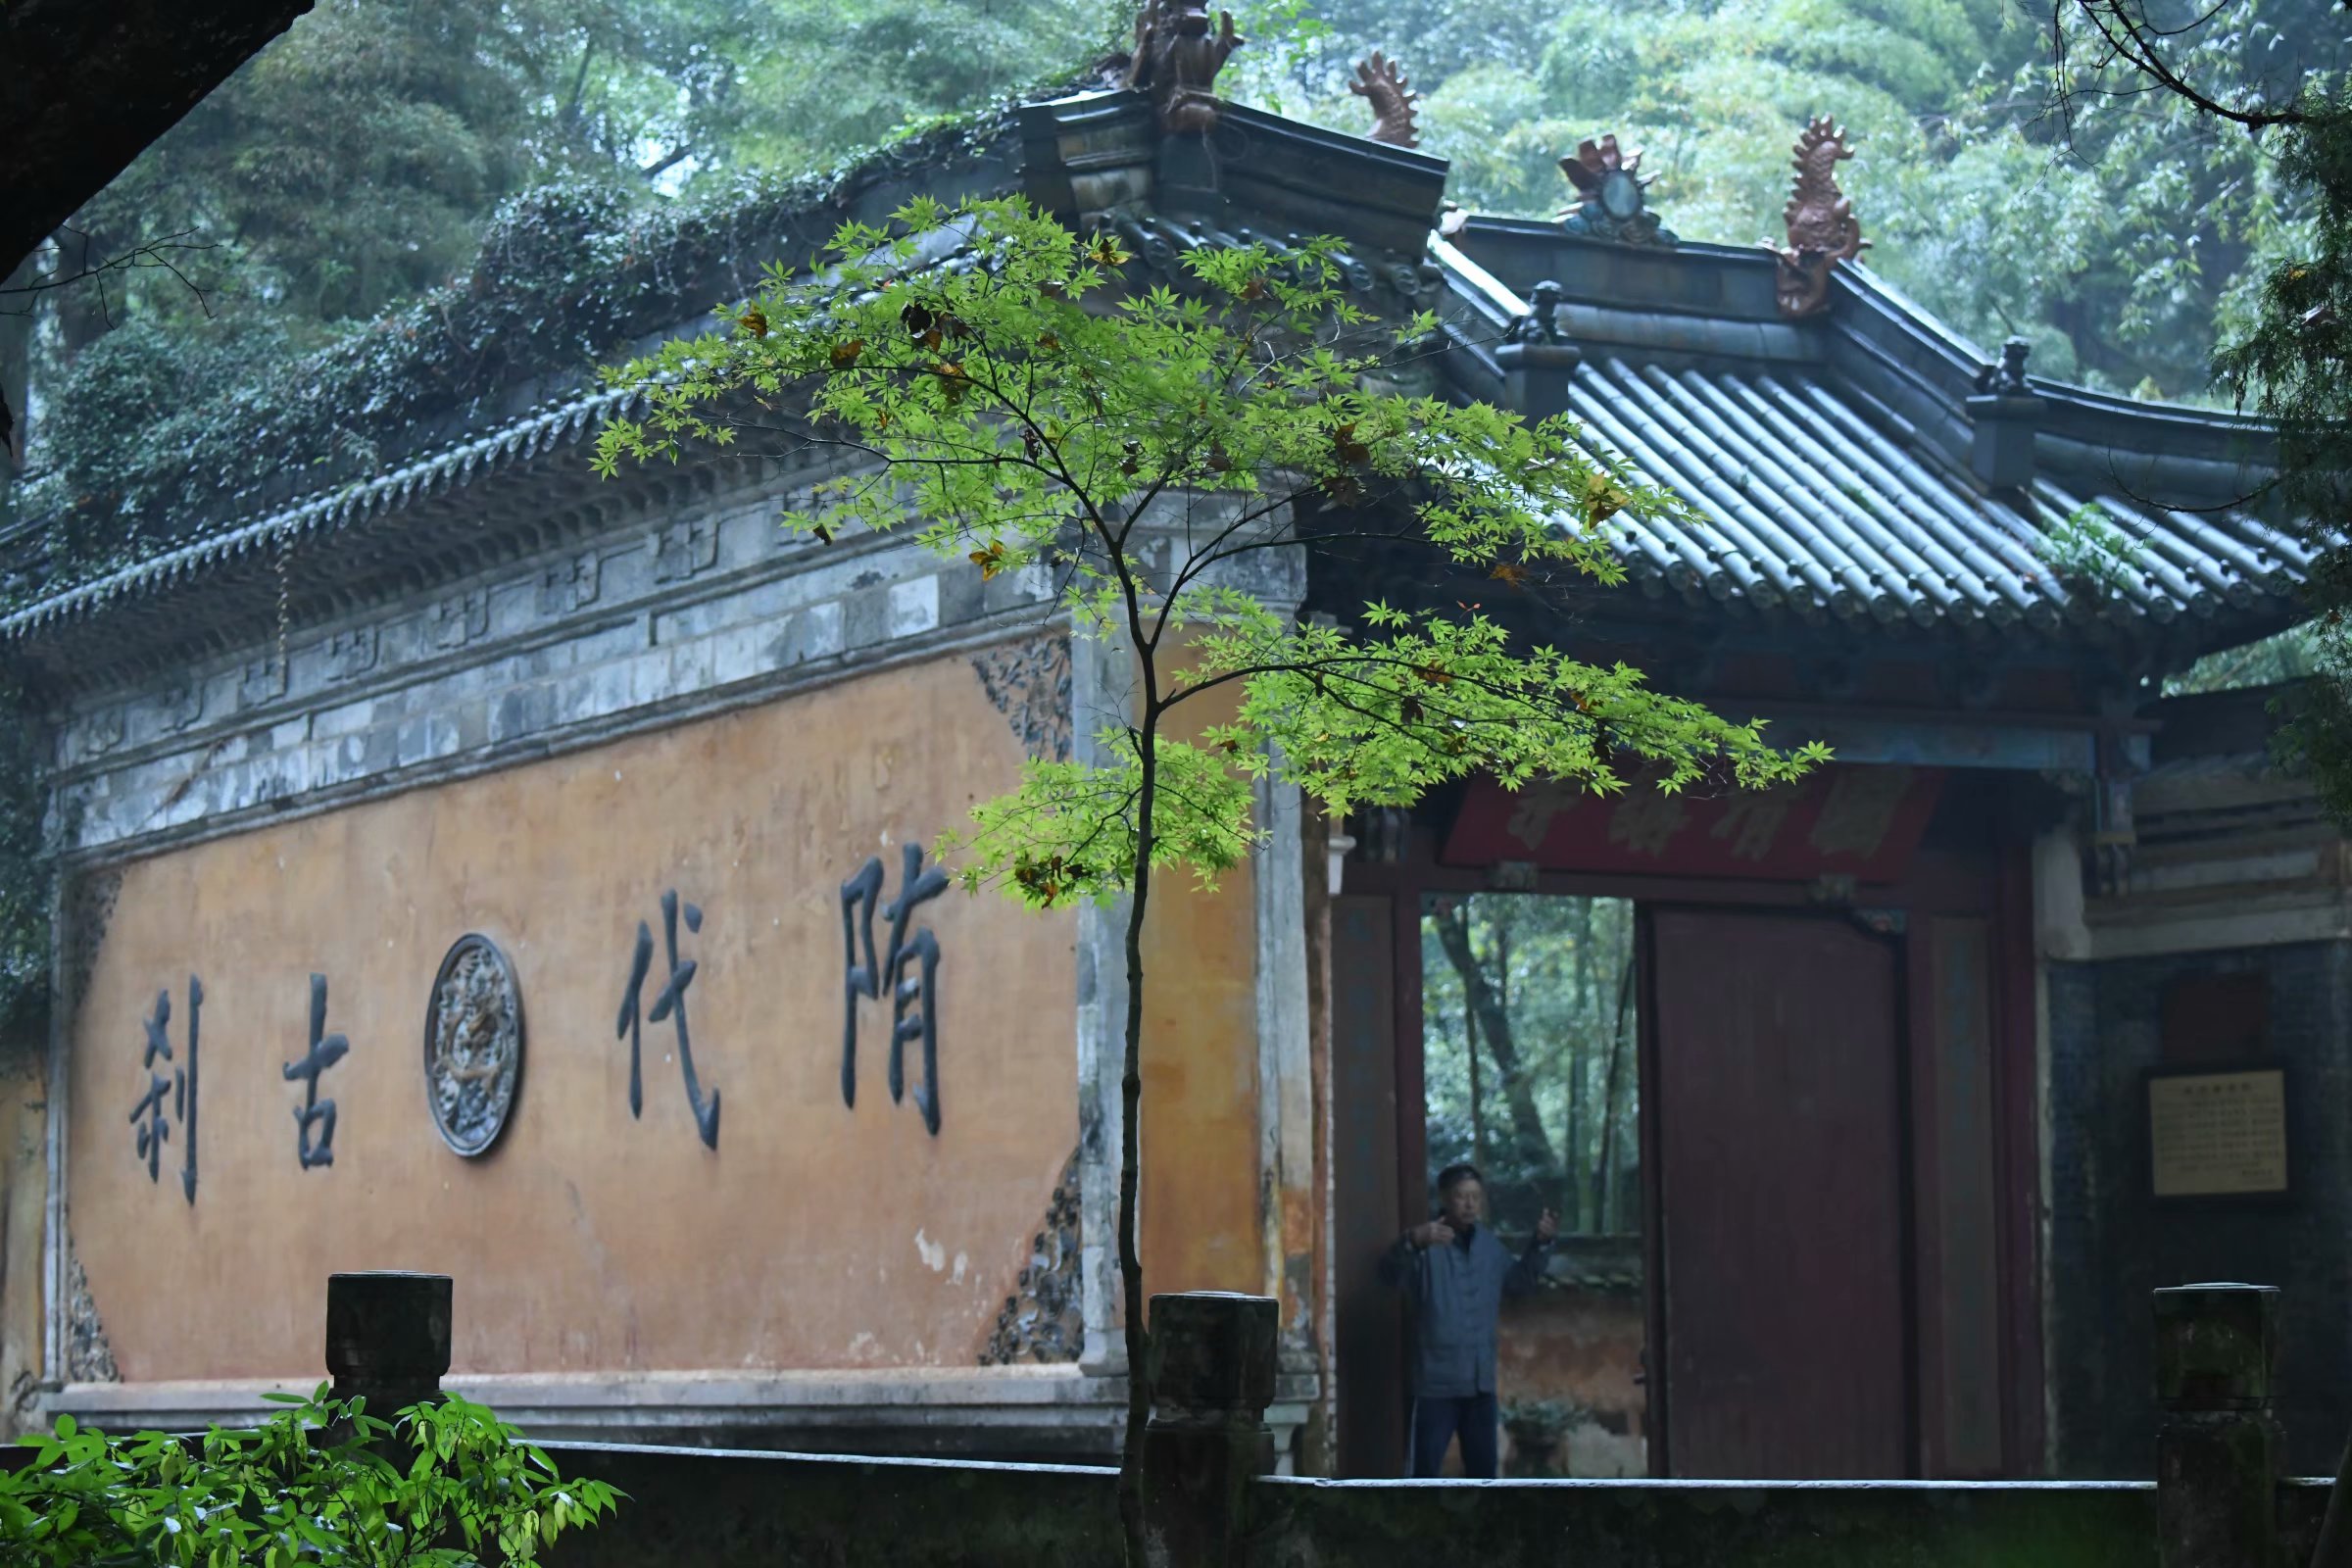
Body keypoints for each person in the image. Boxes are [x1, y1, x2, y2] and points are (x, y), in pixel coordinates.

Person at [1379, 1162, 1557, 1479]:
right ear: (1445, 1198)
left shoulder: (1490, 1248)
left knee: (1484, 1476)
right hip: (1436, 1385)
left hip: (1480, 1386)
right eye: (1461, 1196)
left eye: (1475, 1196)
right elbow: (1388, 1275)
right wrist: (1411, 1241)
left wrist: (1539, 1244)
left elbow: (1519, 1283)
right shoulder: (1426, 1247)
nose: (1470, 1203)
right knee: (1422, 1476)